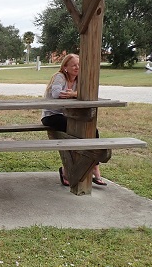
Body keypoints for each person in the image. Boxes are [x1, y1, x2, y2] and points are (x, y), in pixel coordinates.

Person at [41, 53, 107, 186]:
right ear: (65, 67)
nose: (77, 67)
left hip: (70, 116)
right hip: (52, 116)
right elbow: (56, 94)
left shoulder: (80, 79)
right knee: (76, 134)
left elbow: (90, 93)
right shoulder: (59, 77)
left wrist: (74, 93)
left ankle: (95, 167)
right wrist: (76, 95)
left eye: (79, 65)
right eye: (74, 65)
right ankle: (67, 170)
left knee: (93, 131)